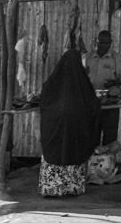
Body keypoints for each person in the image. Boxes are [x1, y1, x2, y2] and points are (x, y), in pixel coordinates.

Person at [37, 46, 101, 197]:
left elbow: (43, 101)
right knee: (74, 150)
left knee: (55, 153)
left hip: (54, 128)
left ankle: (52, 189)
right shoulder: (83, 84)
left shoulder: (52, 83)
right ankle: (73, 188)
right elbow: (93, 104)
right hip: (76, 129)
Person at [86, 30, 121, 148]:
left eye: (106, 43)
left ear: (110, 43)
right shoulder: (88, 57)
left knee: (110, 136)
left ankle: (109, 158)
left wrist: (113, 82)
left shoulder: (116, 58)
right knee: (91, 134)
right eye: (101, 42)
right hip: (92, 102)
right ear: (96, 42)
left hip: (111, 101)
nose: (103, 45)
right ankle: (92, 157)